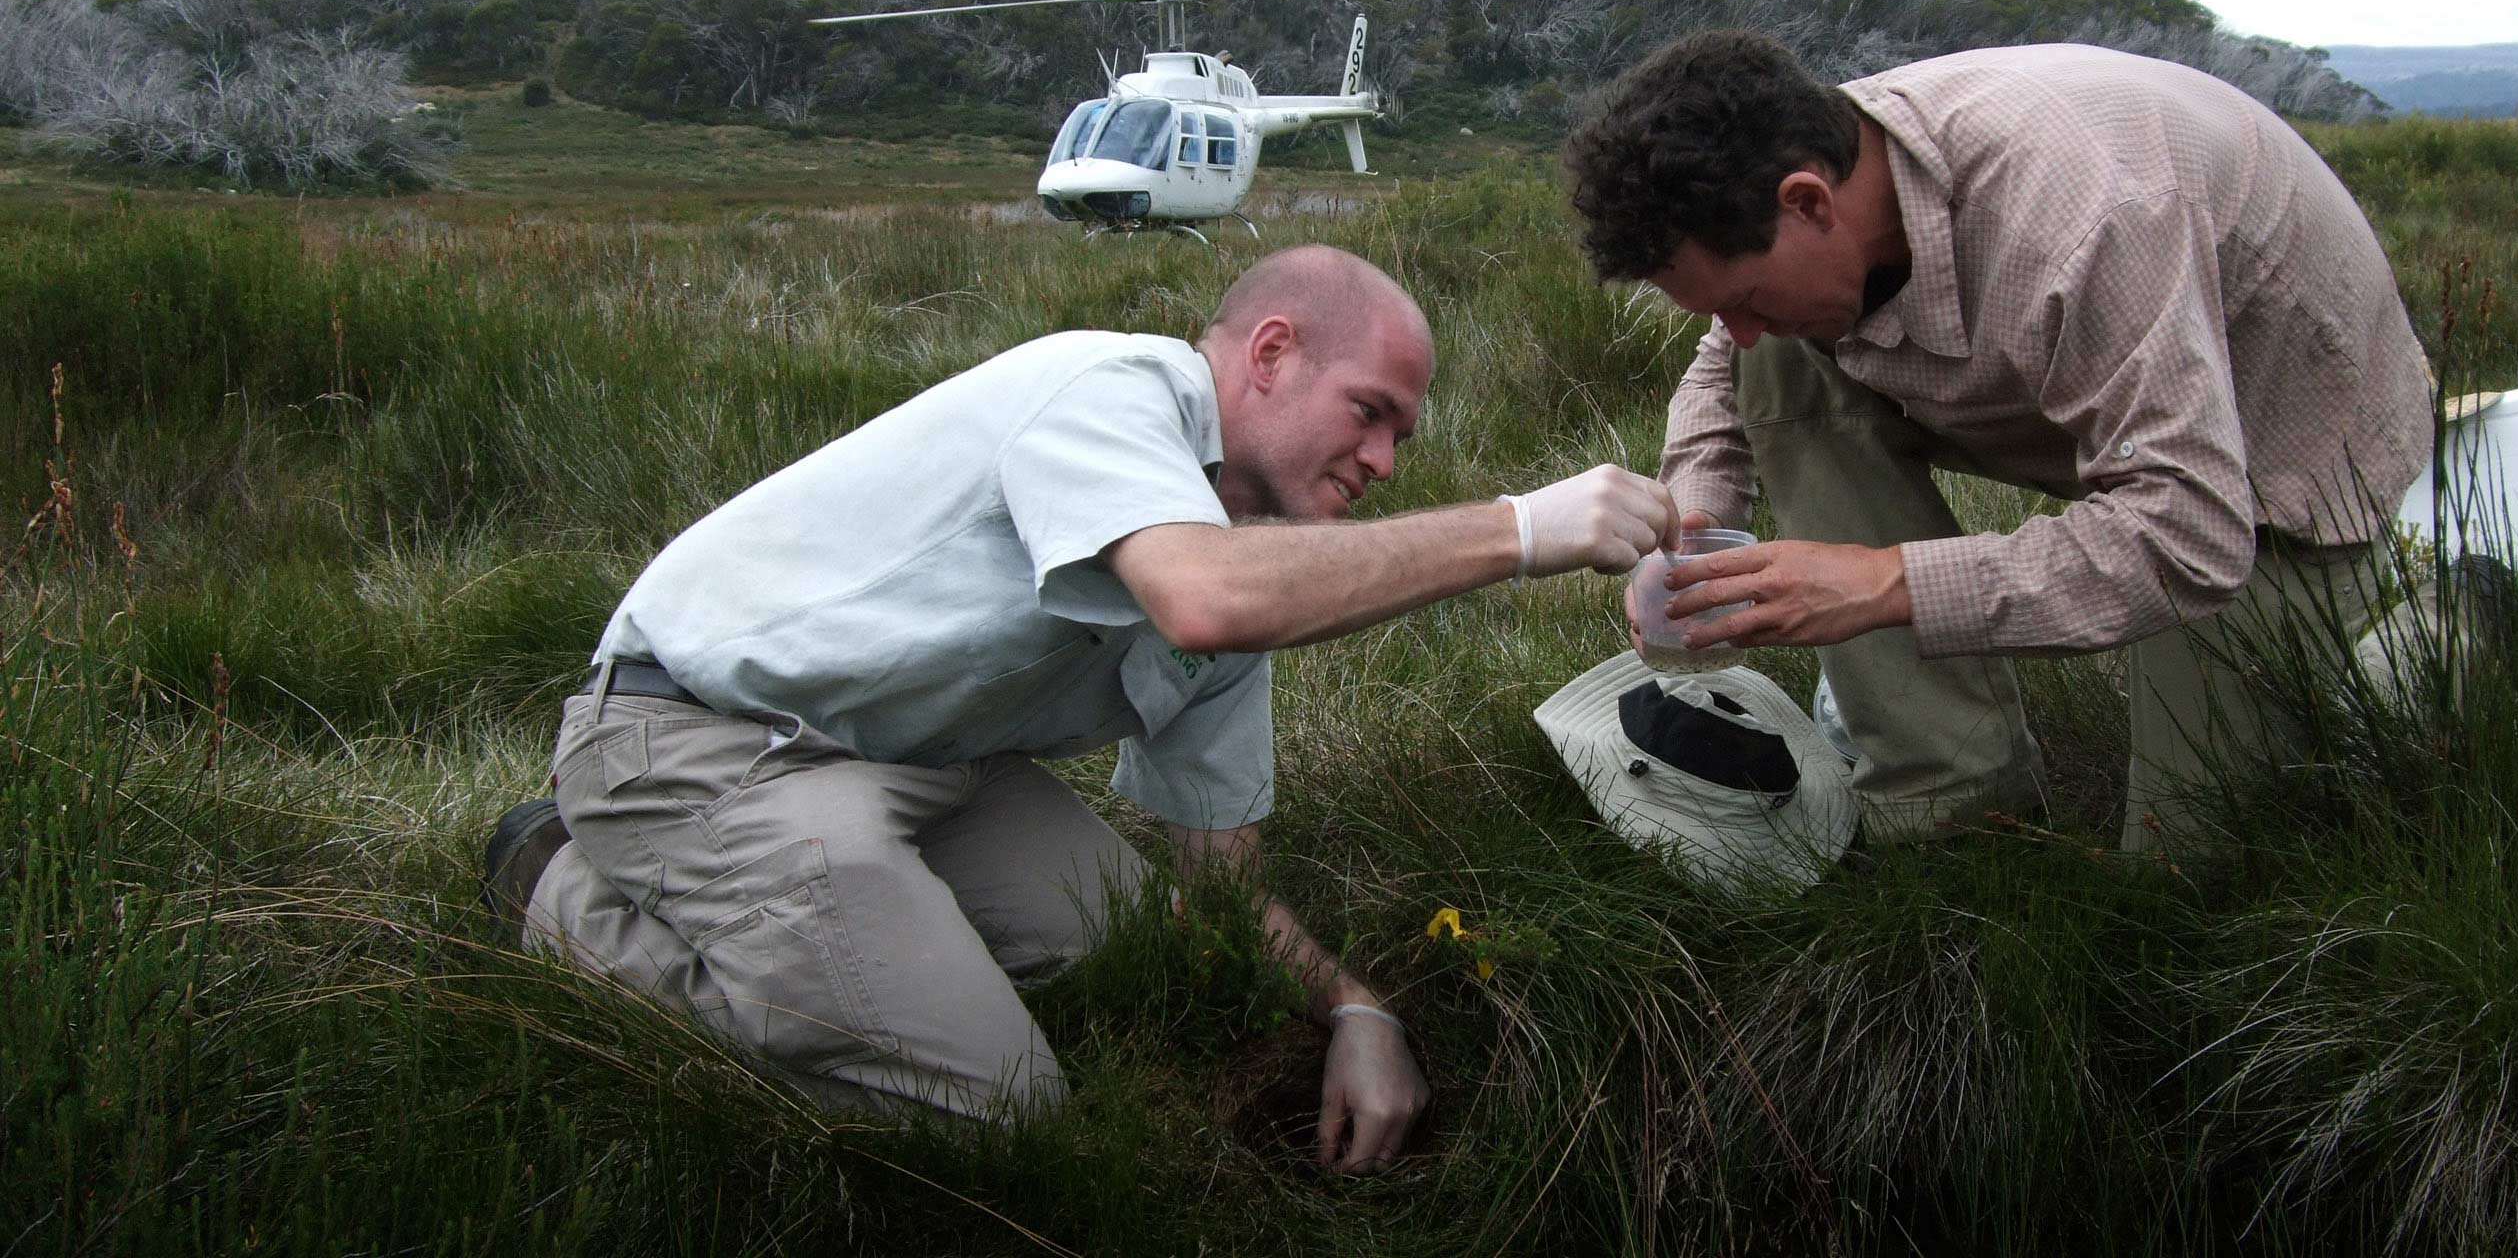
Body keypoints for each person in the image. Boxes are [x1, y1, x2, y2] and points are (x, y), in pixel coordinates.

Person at [478, 244, 1678, 1173]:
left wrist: (1357, 1006)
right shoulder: (1113, 389)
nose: (1386, 463)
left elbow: (1217, 870)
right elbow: (1204, 598)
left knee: (1126, 943)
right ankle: (559, 890)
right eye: (1371, 412)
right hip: (698, 736)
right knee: (995, 1113)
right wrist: (1520, 530)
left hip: (915, 763)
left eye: (1402, 435)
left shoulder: (1242, 557)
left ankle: (850, 950)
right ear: (1270, 353)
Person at [1562, 32, 2435, 857]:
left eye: (1746, 299)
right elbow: (1728, 363)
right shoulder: (1808, 156)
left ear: (1809, 202)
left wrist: (1881, 583)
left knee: (2190, 863)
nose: (1738, 330)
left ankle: (2440, 631)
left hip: (2275, 462)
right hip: (2094, 393)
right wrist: (1694, 532)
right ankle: (1949, 791)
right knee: (1781, 362)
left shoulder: (2087, 223)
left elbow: (2191, 534)